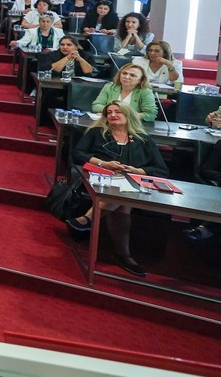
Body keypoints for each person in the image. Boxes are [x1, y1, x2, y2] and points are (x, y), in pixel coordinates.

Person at [67, 102, 168, 276]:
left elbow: (162, 170)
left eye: (118, 112)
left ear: (128, 115)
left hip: (131, 181)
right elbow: (77, 154)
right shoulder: (96, 133)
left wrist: (137, 170)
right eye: (109, 112)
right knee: (123, 200)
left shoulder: (144, 139)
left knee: (124, 198)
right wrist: (102, 163)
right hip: (99, 177)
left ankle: (88, 219)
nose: (113, 115)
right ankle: (123, 254)